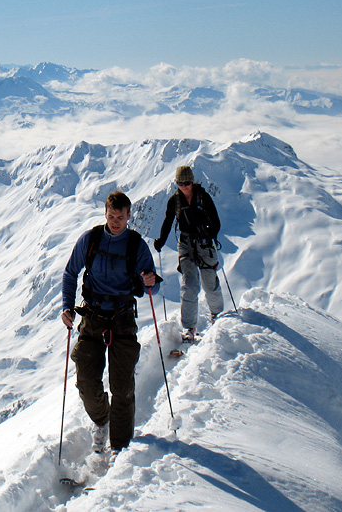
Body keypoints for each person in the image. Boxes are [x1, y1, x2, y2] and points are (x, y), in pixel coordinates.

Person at [61, 190, 161, 464]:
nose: (115, 222)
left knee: (122, 386)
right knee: (85, 381)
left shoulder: (136, 246)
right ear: (105, 214)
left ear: (129, 216)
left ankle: (120, 447)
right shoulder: (90, 239)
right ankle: (101, 420)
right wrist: (67, 307)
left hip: (122, 318)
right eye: (111, 216)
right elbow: (70, 273)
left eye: (120, 217)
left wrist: (150, 281)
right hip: (92, 317)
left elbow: (151, 285)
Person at [154, 165, 223, 340]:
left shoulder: (203, 197)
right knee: (189, 286)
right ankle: (189, 327)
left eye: (187, 182)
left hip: (204, 243)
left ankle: (217, 315)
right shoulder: (174, 201)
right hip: (186, 244)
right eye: (180, 183)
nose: (184, 186)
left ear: (192, 181)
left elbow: (215, 221)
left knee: (209, 282)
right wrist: (161, 240)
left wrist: (210, 233)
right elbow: (168, 221)